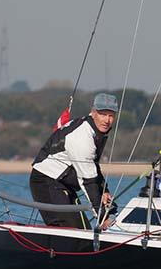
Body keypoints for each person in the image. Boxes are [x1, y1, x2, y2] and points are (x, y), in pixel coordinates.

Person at [30, 93, 118, 230]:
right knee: (74, 232)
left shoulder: (95, 130)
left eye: (111, 115)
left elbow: (92, 165)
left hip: (63, 183)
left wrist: (104, 190)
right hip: (46, 181)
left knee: (83, 229)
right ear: (93, 112)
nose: (107, 120)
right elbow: (87, 180)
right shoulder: (82, 137)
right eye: (103, 114)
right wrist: (102, 218)